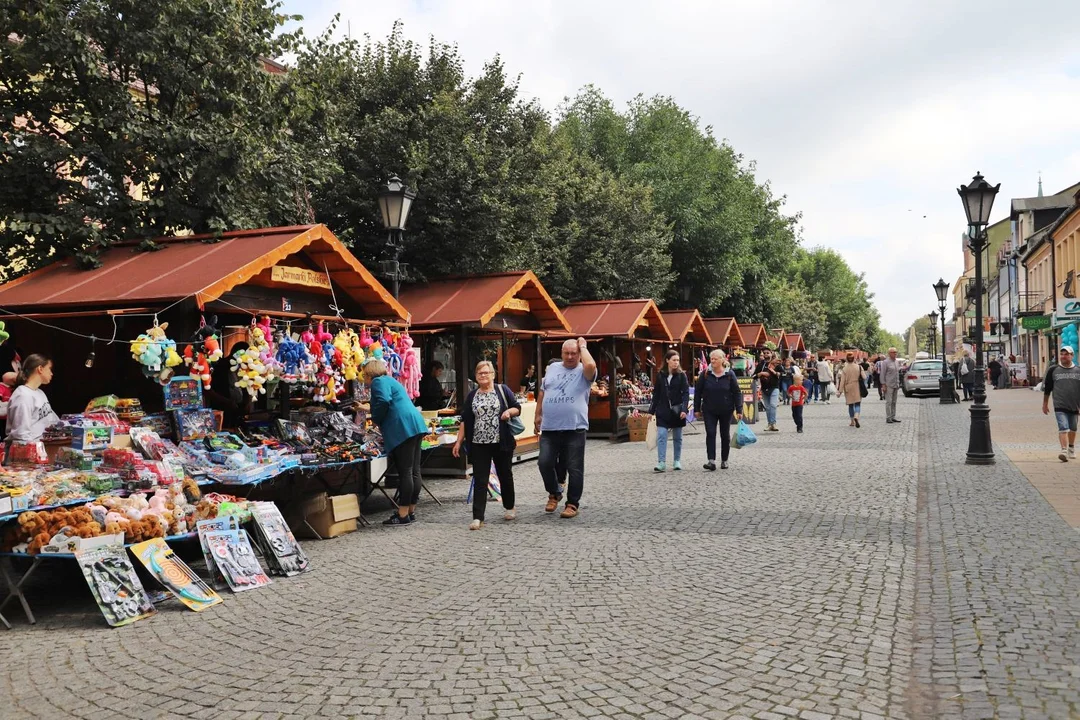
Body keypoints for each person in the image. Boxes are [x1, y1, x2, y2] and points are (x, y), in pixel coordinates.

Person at [454, 360, 521, 529]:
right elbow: (465, 419)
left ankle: (509, 506)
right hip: (478, 443)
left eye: (486, 373)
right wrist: (458, 441)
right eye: (479, 373)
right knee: (480, 479)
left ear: (493, 374)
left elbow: (516, 408)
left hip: (501, 441)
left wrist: (508, 412)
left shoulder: (502, 390)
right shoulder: (472, 395)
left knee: (505, 474)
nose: (483, 376)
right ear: (476, 377)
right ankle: (478, 517)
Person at [535, 337, 597, 519]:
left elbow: (591, 365)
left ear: (579, 354)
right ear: (561, 353)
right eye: (566, 353)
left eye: (574, 353)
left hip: (575, 427)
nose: (570, 357)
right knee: (544, 462)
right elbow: (543, 391)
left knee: (575, 467)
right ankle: (555, 491)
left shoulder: (584, 371)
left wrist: (583, 346)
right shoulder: (552, 368)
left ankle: (572, 503)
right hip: (550, 426)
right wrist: (537, 414)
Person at [365, 359, 428, 526]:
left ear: (369, 374)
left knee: (406, 471)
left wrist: (376, 418)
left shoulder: (378, 381)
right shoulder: (391, 380)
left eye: (364, 375)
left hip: (402, 428)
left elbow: (384, 401)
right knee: (414, 470)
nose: (364, 378)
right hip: (414, 424)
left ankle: (402, 515)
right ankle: (410, 511)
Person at [694, 349, 742, 470]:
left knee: (724, 434)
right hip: (709, 409)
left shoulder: (730, 374)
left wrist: (739, 409)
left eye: (716, 359)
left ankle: (724, 460)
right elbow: (698, 392)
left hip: (726, 409)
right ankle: (711, 461)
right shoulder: (705, 374)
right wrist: (696, 408)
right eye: (712, 359)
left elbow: (736, 392)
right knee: (710, 433)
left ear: (722, 359)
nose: (713, 361)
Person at [4, 354, 59, 458]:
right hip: (25, 457)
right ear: (40, 369)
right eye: (49, 369)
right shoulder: (22, 395)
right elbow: (21, 434)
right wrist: (31, 457)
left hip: (39, 453)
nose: (51, 373)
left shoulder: (40, 393)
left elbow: (54, 422)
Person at [648, 350, 690, 472]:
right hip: (663, 410)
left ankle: (677, 460)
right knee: (661, 435)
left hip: (677, 411)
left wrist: (684, 409)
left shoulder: (682, 375)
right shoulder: (661, 375)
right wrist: (651, 411)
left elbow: (686, 394)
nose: (676, 363)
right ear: (667, 360)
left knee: (677, 437)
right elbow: (656, 394)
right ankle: (661, 462)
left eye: (678, 360)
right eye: (674, 360)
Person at [1042, 346, 1080, 462]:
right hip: (1059, 404)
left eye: (1066, 354)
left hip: (1075, 404)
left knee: (1073, 428)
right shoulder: (1053, 370)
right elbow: (1048, 388)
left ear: (1072, 356)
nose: (1063, 356)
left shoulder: (1078, 370)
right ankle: (1063, 450)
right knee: (1063, 427)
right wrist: (1045, 403)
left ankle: (1071, 448)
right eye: (1062, 354)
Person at [205, 342, 251, 429]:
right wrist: (227, 402)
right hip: (222, 409)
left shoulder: (244, 368)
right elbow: (209, 391)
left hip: (239, 408)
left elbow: (247, 387)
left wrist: (247, 401)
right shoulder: (221, 367)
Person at [836, 351, 865, 428]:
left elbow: (842, 381)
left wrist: (839, 391)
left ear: (847, 359)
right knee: (858, 403)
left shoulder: (845, 369)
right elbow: (864, 377)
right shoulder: (859, 367)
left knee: (851, 405)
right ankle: (856, 416)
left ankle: (852, 421)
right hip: (857, 386)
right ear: (854, 359)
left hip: (848, 387)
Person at [757, 352, 782, 432]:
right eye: (764, 353)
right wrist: (760, 374)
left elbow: (783, 374)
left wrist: (774, 372)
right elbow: (754, 375)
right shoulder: (761, 365)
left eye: (767, 353)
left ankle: (773, 423)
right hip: (764, 388)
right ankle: (769, 424)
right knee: (767, 407)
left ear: (772, 354)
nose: (765, 354)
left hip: (774, 387)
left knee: (773, 405)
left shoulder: (777, 364)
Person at [881, 347, 903, 424]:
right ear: (889, 353)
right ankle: (888, 417)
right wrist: (883, 384)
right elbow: (882, 374)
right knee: (889, 402)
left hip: (895, 384)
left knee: (894, 402)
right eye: (893, 352)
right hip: (888, 384)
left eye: (896, 352)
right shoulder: (885, 362)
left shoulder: (897, 362)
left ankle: (893, 416)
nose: (895, 353)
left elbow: (897, 373)